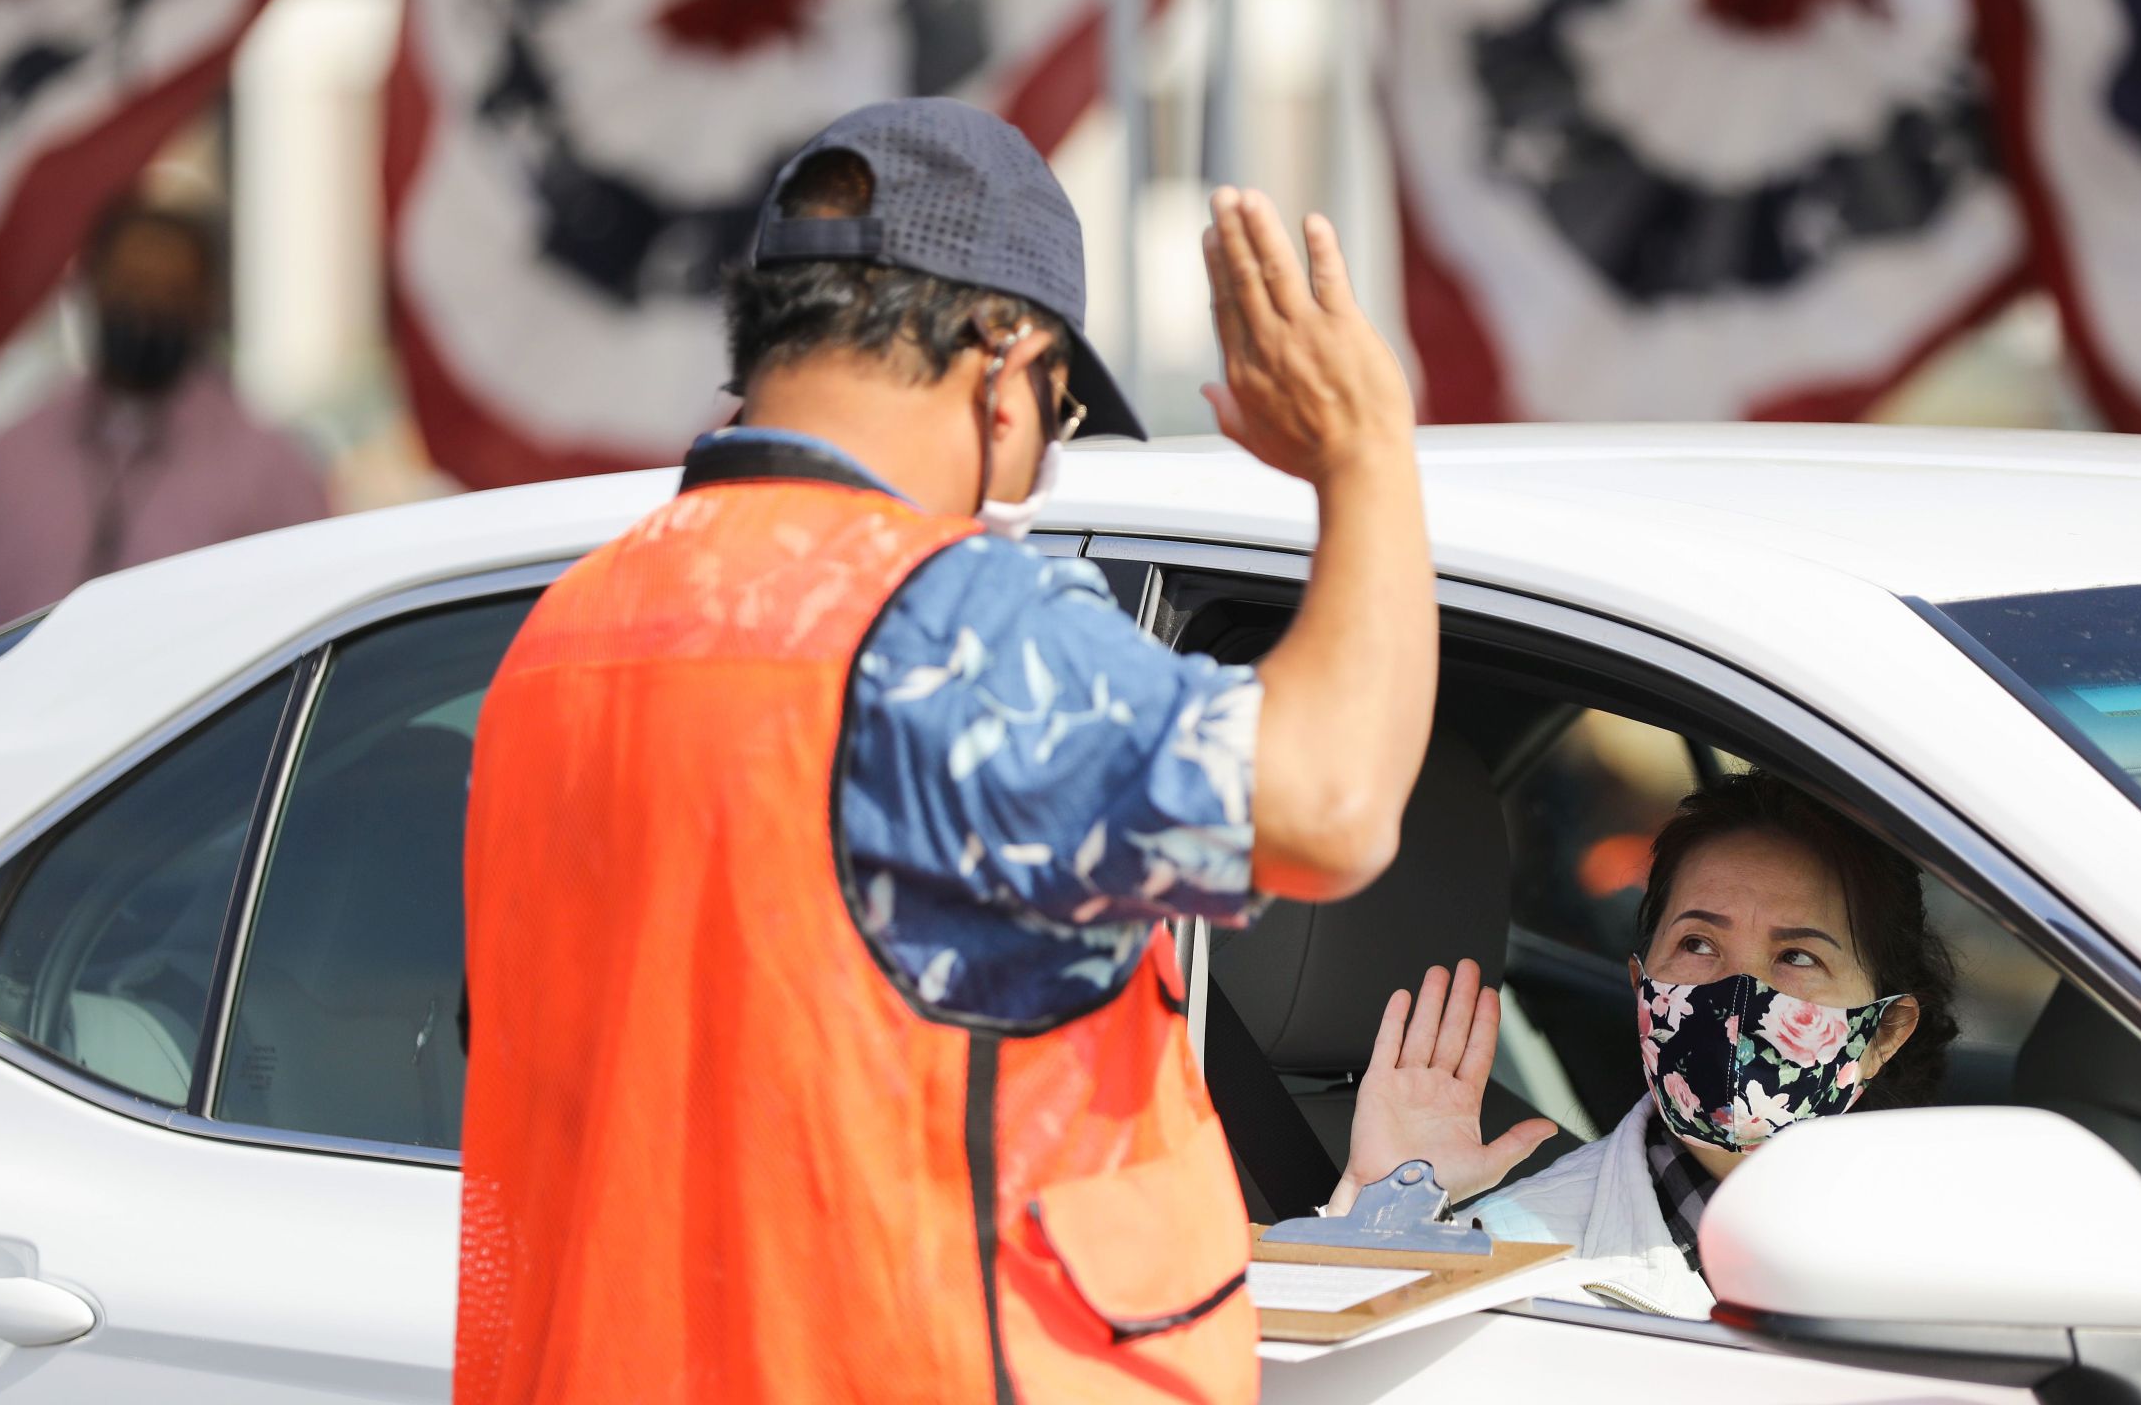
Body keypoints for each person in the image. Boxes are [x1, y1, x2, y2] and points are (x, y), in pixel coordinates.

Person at [454, 99, 1432, 1405]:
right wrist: (1368, 460)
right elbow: (1334, 805)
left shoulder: (564, 639)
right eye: (1063, 405)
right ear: (1002, 348)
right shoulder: (945, 627)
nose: (1039, 466)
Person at [1333, 770, 1959, 1319]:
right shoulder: (1511, 1267)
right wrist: (1379, 1217)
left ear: (1884, 1033)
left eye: (1797, 956)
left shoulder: (1971, 1242)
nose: (1739, 997)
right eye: (1698, 944)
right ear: (1643, 988)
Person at [0, 195, 325, 647]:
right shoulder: (13, 456)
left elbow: (308, 634)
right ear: (91, 287)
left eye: (170, 294)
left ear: (205, 304)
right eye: (131, 287)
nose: (145, 310)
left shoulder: (269, 469)